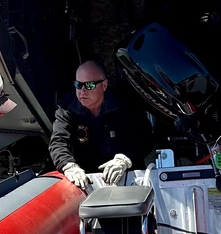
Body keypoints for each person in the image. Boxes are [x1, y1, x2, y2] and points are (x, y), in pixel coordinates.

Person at [49, 60, 154, 189]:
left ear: (104, 85)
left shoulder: (125, 104)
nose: (82, 91)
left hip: (128, 179)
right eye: (78, 85)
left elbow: (145, 136)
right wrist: (68, 165)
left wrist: (125, 159)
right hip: (87, 182)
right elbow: (58, 142)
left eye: (89, 85)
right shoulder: (67, 108)